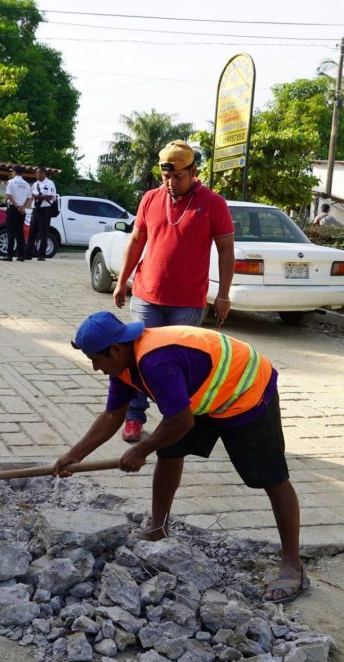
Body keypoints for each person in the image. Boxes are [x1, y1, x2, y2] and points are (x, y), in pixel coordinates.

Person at [54, 311, 306, 604]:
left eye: (96, 359)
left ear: (116, 349)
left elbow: (181, 422)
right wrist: (74, 456)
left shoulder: (155, 360)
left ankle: (292, 564)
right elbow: (113, 414)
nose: (96, 367)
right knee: (170, 451)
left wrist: (139, 450)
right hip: (200, 395)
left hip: (244, 391)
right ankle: (158, 529)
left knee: (270, 477)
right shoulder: (123, 365)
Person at [112, 140, 235, 442]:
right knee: (139, 359)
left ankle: (177, 423)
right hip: (146, 295)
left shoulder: (213, 203)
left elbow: (226, 250)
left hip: (188, 302)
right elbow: (136, 242)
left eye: (177, 176)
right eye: (165, 176)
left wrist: (224, 294)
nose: (170, 183)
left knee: (178, 363)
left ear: (193, 171)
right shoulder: (151, 199)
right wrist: (121, 281)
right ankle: (133, 417)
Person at [0, 165, 31, 262]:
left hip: (14, 209)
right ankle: (21, 255)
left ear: (14, 172)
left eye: (12, 171)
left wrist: (17, 206)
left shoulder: (11, 182)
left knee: (11, 232)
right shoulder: (26, 184)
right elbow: (30, 198)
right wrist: (23, 207)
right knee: (20, 233)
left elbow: (9, 195)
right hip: (22, 211)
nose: (11, 172)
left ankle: (9, 255)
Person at [27, 167, 56, 261]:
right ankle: (28, 253)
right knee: (32, 232)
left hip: (45, 210)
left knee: (43, 233)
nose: (36, 174)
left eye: (37, 173)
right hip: (35, 210)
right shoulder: (35, 184)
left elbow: (51, 196)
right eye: (35, 173)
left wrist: (38, 196)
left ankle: (42, 255)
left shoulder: (50, 183)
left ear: (43, 173)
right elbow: (31, 195)